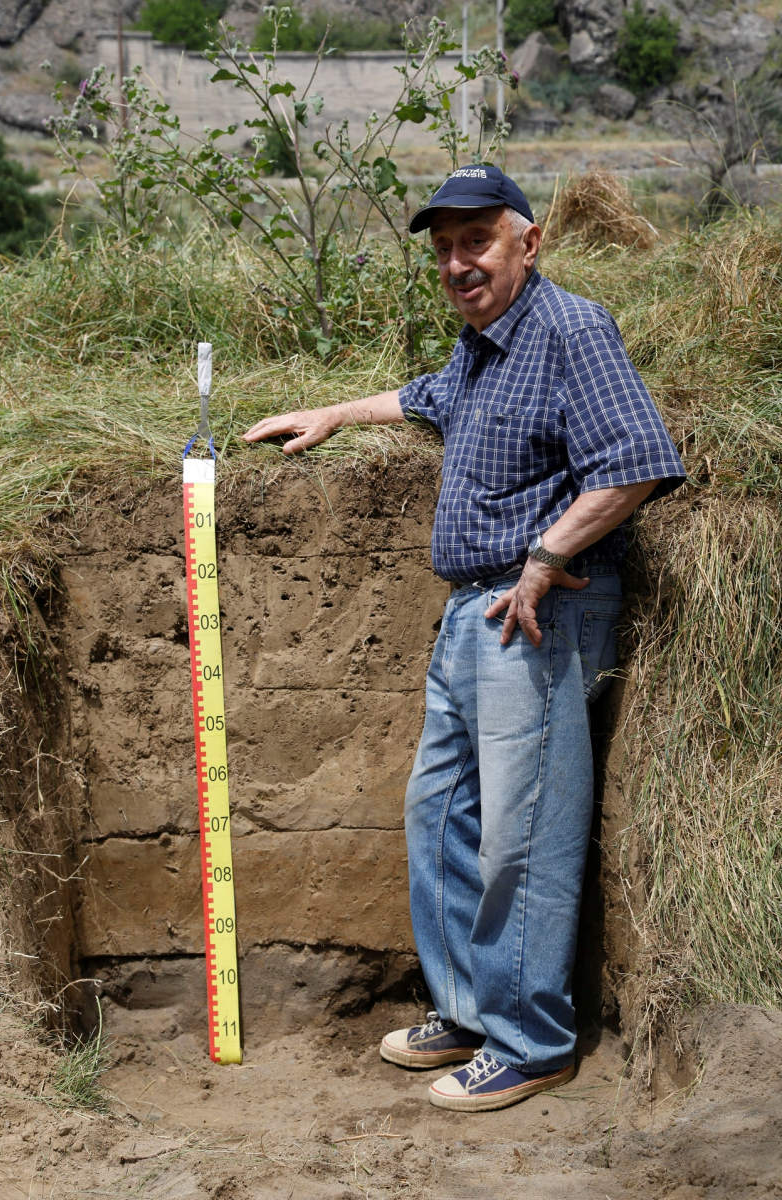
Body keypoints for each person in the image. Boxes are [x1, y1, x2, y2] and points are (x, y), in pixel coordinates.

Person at [243, 165, 686, 1114]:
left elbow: (638, 463)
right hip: (472, 614)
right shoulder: (484, 343)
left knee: (523, 835)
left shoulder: (572, 330)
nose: (457, 262)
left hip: (535, 610)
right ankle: (469, 1008)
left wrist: (544, 555)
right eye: (444, 247)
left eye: (476, 241)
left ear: (529, 242)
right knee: (439, 812)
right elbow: (426, 396)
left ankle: (532, 1041)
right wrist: (330, 413)